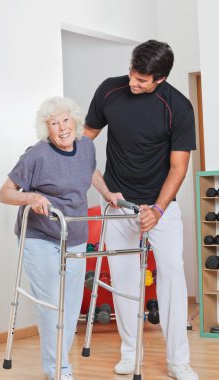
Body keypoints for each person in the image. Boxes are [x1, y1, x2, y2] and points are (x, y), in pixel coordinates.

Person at [86, 40, 199, 380]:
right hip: (118, 204)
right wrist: (103, 189)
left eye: (142, 80)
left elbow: (179, 167)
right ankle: (130, 352)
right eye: (133, 73)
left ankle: (178, 360)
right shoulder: (109, 90)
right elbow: (81, 144)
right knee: (123, 281)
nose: (133, 82)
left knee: (172, 278)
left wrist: (159, 210)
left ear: (160, 78)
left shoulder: (178, 107)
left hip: (161, 207)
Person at [0, 96, 116, 380]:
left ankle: (60, 363)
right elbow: (5, 193)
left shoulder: (86, 146)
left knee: (71, 305)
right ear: (46, 128)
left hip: (74, 235)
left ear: (74, 121)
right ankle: (58, 370)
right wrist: (31, 197)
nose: (61, 127)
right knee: (51, 303)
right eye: (54, 123)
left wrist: (108, 193)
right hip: (41, 236)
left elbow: (90, 171)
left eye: (65, 120)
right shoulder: (37, 154)